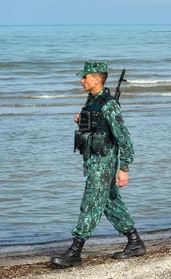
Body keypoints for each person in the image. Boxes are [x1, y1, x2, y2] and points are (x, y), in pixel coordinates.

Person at [51, 61, 146, 267]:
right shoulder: (91, 101)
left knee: (91, 202)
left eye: (85, 77)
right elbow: (97, 129)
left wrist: (124, 168)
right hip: (93, 160)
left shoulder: (109, 104)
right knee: (110, 203)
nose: (81, 80)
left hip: (104, 161)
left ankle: (75, 251)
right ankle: (135, 242)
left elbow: (124, 138)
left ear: (96, 79)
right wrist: (82, 122)